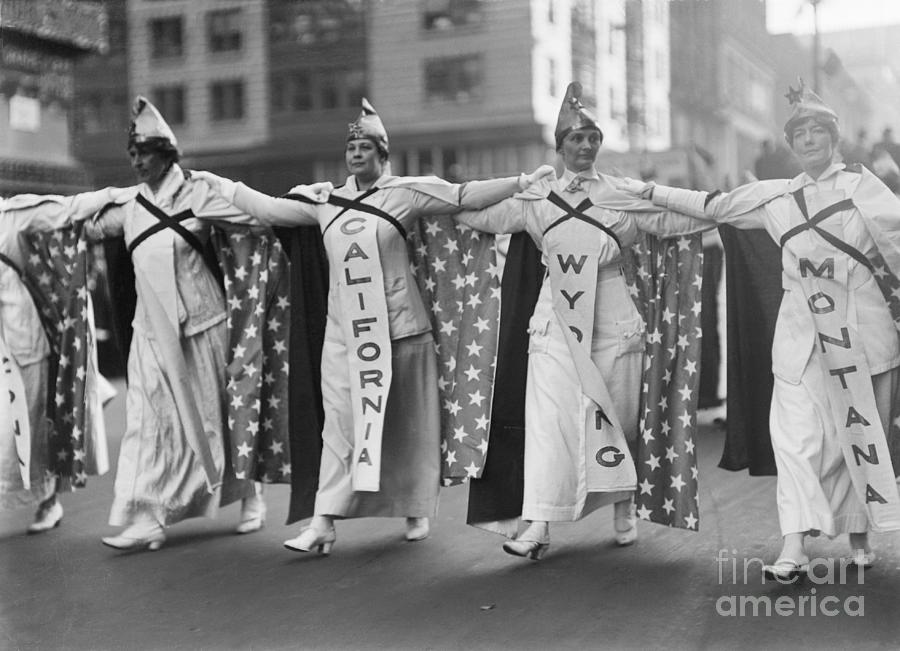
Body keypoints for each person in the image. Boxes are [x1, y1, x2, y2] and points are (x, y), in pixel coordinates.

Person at [194, 98, 554, 554]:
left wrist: (522, 181)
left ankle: (416, 508)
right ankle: (323, 524)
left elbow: (463, 196)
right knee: (340, 429)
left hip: (402, 333)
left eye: (365, 146)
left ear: (383, 153)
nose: (356, 154)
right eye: (351, 147)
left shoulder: (405, 192)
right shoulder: (324, 201)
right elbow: (268, 211)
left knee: (406, 427)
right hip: (344, 338)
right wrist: (221, 184)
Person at [617, 80, 900, 579]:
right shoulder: (776, 199)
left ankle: (858, 533)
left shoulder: (865, 190)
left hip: (863, 340)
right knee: (794, 440)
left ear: (834, 139)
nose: (810, 141)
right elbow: (712, 207)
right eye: (800, 134)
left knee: (853, 435)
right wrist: (645, 191)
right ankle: (793, 549)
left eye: (818, 131)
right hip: (799, 342)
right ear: (790, 146)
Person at [455, 82, 710, 560]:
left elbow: (677, 221)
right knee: (550, 425)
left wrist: (719, 208)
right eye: (576, 138)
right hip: (553, 327)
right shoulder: (536, 200)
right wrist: (516, 182)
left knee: (617, 420)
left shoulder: (622, 194)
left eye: (593, 136)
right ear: (560, 146)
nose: (586, 145)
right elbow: (473, 216)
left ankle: (623, 502)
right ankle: (538, 525)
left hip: (614, 323)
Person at [86, 97, 282, 551]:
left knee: (219, 421)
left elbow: (257, 219)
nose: (137, 162)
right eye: (132, 155)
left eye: (145, 153)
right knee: (148, 423)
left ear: (166, 154)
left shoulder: (198, 195)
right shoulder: (129, 207)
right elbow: (86, 227)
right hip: (150, 334)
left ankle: (251, 495)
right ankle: (150, 516)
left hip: (204, 326)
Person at [1, 189, 124, 532]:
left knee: (35, 427)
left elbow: (68, 209)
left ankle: (49, 502)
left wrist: (119, 194)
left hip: (26, 342)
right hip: (5, 346)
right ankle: (95, 393)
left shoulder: (13, 216)